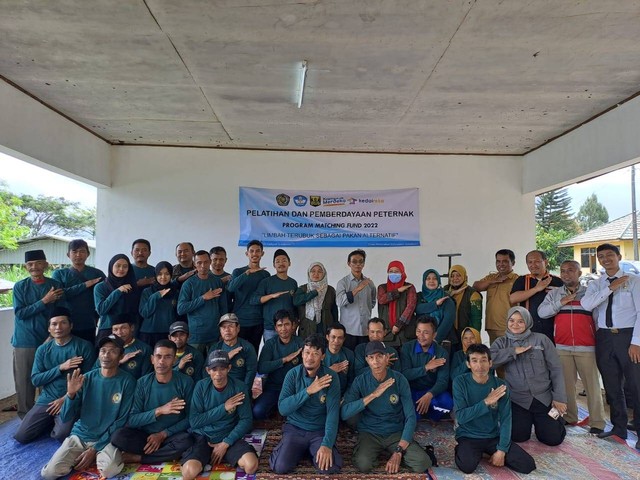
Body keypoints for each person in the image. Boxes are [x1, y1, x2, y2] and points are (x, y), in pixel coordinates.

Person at [40, 334, 136, 480]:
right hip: (81, 436)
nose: (106, 355)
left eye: (112, 351)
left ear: (121, 355)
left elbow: (121, 420)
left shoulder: (127, 381)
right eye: (103, 351)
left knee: (109, 471)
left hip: (106, 439)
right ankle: (88, 456)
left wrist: (95, 449)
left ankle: (97, 456)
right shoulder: (86, 378)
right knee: (48, 473)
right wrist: (71, 394)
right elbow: (65, 417)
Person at [581, 243, 640, 447]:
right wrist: (610, 288)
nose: (605, 259)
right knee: (612, 386)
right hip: (604, 338)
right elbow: (587, 305)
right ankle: (618, 428)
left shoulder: (634, 281)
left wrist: (636, 342)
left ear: (619, 256)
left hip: (628, 337)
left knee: (635, 385)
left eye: (609, 255)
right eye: (601, 256)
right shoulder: (597, 284)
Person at [341, 341, 431, 474]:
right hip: (370, 432)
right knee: (363, 465)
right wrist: (373, 395)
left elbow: (411, 417)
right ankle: (375, 452)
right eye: (371, 358)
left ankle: (394, 453)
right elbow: (344, 413)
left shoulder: (399, 380)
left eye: (379, 356)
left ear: (387, 357)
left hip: (395, 432)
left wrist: (399, 452)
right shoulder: (360, 381)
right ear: (367, 360)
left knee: (423, 463)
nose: (376, 362)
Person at [538, 259, 606, 434]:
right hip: (562, 347)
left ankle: (597, 422)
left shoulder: (589, 293)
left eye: (570, 270)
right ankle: (569, 417)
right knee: (566, 386)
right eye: (563, 271)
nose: (566, 274)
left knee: (592, 386)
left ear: (579, 273)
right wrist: (561, 302)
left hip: (587, 348)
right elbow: (542, 313)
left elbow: (598, 319)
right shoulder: (554, 294)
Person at [14, 307, 95, 444]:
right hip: (47, 399)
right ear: (49, 328)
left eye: (63, 323)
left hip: (70, 398)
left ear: (71, 326)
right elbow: (36, 379)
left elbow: (89, 379)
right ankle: (50, 419)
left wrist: (66, 398)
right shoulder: (43, 350)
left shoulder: (84, 346)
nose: (58, 327)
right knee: (22, 436)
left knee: (61, 435)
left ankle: (60, 420)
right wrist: (61, 367)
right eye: (54, 324)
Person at [453, 344, 536, 474]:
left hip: (492, 436)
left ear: (490, 363)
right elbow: (462, 417)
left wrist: (501, 450)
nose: (479, 366)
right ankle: (466, 450)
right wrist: (486, 402)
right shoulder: (460, 382)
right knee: (467, 466)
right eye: (474, 361)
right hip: (469, 435)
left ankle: (485, 452)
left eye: (483, 360)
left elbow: (506, 419)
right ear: (468, 364)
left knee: (528, 465)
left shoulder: (500, 385)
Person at [490, 306, 567, 446]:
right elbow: (489, 362)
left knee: (553, 439)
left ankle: (555, 420)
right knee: (518, 436)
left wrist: (559, 398)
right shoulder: (501, 342)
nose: (515, 324)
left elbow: (556, 369)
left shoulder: (541, 340)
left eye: (520, 321)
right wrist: (513, 351)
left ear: (527, 322)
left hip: (543, 398)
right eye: (512, 320)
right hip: (518, 399)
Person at [111, 339, 194, 465]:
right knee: (118, 437)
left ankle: (140, 458)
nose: (161, 361)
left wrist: (163, 434)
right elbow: (132, 420)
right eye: (158, 356)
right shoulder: (142, 383)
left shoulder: (185, 382)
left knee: (187, 440)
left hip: (170, 436)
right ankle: (165, 454)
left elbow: (190, 418)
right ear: (152, 359)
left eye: (167, 357)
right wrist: (159, 410)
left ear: (174, 361)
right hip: (146, 437)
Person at [180, 350, 258, 480]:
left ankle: (217, 456)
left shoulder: (239, 387)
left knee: (251, 466)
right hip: (204, 437)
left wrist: (226, 443)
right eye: (214, 369)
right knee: (189, 472)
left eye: (222, 368)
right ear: (208, 370)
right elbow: (194, 421)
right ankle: (205, 458)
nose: (218, 374)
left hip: (228, 437)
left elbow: (246, 420)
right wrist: (224, 408)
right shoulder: (201, 386)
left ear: (229, 368)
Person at [270, 334, 342, 474]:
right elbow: (283, 409)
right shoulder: (292, 374)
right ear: (302, 354)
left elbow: (333, 414)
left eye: (315, 353)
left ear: (322, 356)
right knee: (280, 467)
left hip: (318, 431)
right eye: (307, 352)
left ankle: (310, 449)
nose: (310, 357)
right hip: (295, 428)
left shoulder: (331, 377)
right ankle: (299, 449)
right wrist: (308, 391)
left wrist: (327, 444)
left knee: (329, 468)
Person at [12, 249, 65, 419]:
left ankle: (46, 417)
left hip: (49, 340)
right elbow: (20, 313)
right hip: (24, 341)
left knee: (48, 381)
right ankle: (25, 418)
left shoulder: (54, 284)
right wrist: (44, 301)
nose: (34, 267)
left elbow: (60, 311)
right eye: (30, 264)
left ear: (45, 264)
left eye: (38, 263)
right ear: (26, 267)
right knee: (24, 382)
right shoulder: (20, 286)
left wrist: (52, 336)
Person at [52, 239, 104, 344]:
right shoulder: (59, 274)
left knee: (88, 351)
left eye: (82, 251)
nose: (78, 255)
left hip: (89, 321)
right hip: (65, 322)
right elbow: (59, 294)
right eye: (74, 251)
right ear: (68, 254)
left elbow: (104, 295)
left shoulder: (97, 273)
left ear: (88, 254)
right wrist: (85, 285)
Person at [400, 316, 452, 420]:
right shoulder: (407, 348)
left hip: (431, 392)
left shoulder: (441, 353)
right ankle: (419, 413)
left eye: (426, 332)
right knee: (411, 416)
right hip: (411, 391)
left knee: (447, 403)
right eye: (418, 331)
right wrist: (426, 368)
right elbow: (404, 374)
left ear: (434, 335)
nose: (421, 336)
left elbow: (443, 381)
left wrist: (429, 395)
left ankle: (432, 415)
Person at [254, 310, 303, 420]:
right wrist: (284, 360)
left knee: (297, 416)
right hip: (273, 387)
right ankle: (276, 407)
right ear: (275, 328)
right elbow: (261, 368)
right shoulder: (270, 344)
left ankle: (281, 408)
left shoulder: (301, 343)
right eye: (280, 325)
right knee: (258, 412)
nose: (283, 328)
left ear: (293, 326)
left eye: (286, 324)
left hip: (294, 388)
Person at [177, 250, 227, 354]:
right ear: (194, 264)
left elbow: (224, 309)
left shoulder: (217, 282)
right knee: (195, 366)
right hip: (196, 336)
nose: (203, 265)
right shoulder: (188, 284)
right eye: (199, 263)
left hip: (215, 334)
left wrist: (223, 331)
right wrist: (203, 298)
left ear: (210, 262)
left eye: (206, 262)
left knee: (214, 366)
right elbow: (181, 309)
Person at [509, 250, 563, 342]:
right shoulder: (522, 280)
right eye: (530, 262)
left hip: (552, 327)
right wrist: (536, 289)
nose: (533, 265)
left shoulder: (557, 281)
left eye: (537, 261)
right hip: (529, 327)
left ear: (545, 262)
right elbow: (513, 299)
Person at [227, 240, 270, 353]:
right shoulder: (238, 271)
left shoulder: (265, 275)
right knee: (238, 354)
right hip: (240, 321)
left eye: (257, 251)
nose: (254, 254)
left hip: (258, 321)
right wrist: (247, 273)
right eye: (251, 251)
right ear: (247, 254)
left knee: (253, 353)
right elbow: (230, 288)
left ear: (262, 253)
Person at [473, 249, 519, 345]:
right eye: (498, 261)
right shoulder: (491, 277)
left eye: (505, 261)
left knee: (509, 356)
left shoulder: (517, 280)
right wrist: (491, 281)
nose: (501, 264)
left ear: (513, 263)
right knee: (495, 357)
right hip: (491, 326)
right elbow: (475, 287)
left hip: (509, 327)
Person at [251, 248, 298, 343]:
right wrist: (271, 296)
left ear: (289, 263)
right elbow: (253, 300)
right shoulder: (266, 282)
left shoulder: (293, 283)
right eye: (278, 261)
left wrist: (295, 324)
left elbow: (295, 305)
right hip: (270, 328)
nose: (281, 263)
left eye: (284, 260)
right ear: (274, 265)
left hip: (288, 328)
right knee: (271, 356)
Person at [336, 249, 377, 351]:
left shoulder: (369, 283)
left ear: (364, 264)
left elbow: (372, 302)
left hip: (365, 330)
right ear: (349, 263)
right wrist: (357, 289)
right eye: (354, 261)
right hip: (348, 330)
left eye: (361, 261)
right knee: (349, 359)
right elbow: (339, 302)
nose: (358, 264)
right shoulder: (343, 283)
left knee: (364, 358)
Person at [94, 253, 140, 342]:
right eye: (117, 266)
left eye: (125, 266)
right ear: (111, 267)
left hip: (128, 331)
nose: (121, 269)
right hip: (108, 329)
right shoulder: (100, 287)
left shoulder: (132, 286)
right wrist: (118, 291)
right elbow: (101, 310)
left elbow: (135, 312)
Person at [93, 314, 153, 379]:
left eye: (123, 328)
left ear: (132, 328)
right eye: (115, 329)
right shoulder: (107, 347)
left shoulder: (144, 349)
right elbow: (93, 373)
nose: (119, 333)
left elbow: (146, 379)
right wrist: (118, 362)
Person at [139, 261, 180, 347]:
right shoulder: (147, 291)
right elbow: (145, 313)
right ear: (155, 275)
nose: (163, 277)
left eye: (167, 274)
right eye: (160, 274)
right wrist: (156, 296)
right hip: (148, 333)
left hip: (168, 333)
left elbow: (178, 314)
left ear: (171, 275)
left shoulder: (175, 292)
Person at [377, 260, 417, 347]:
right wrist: (398, 291)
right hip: (387, 333)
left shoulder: (409, 287)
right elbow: (382, 300)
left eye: (396, 271)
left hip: (406, 333)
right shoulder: (382, 287)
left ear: (402, 272)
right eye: (391, 271)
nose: (393, 274)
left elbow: (410, 307)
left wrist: (398, 324)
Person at [212, 313, 258, 387]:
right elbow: (207, 371)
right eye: (223, 327)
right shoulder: (216, 347)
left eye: (231, 326)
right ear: (220, 330)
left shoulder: (247, 347)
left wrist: (244, 390)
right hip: (219, 386)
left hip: (239, 387)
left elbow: (251, 372)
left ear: (238, 328)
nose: (227, 330)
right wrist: (225, 358)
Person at [294, 261, 338, 339]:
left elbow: (334, 309)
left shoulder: (330, 290)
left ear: (324, 274)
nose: (316, 274)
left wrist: (335, 326)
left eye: (319, 271)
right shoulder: (302, 289)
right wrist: (314, 292)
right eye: (313, 271)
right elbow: (296, 301)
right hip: (307, 326)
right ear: (309, 273)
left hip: (325, 326)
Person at [445, 264, 483, 351]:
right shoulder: (445, 290)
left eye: (458, 275)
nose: (455, 278)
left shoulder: (473, 294)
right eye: (452, 276)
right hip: (447, 334)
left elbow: (476, 320)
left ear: (465, 277)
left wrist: (473, 339)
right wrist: (451, 294)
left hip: (465, 336)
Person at [415, 268, 455, 346]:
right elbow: (418, 309)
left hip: (443, 341)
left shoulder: (446, 298)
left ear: (439, 281)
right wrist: (435, 304)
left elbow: (448, 321)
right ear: (424, 281)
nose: (431, 281)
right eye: (428, 278)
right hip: (422, 340)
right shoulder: (419, 296)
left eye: (435, 278)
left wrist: (435, 339)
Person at [324, 324, 355, 396]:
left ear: (344, 339)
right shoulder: (319, 353)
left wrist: (346, 397)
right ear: (327, 337)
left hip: (343, 395)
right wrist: (330, 371)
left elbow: (352, 380)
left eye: (340, 338)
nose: (336, 341)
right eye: (333, 337)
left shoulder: (349, 354)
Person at [210, 246, 234, 313]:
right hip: (208, 316)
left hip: (226, 316)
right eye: (215, 259)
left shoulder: (231, 278)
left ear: (226, 260)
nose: (218, 262)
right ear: (209, 260)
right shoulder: (203, 277)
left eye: (221, 259)